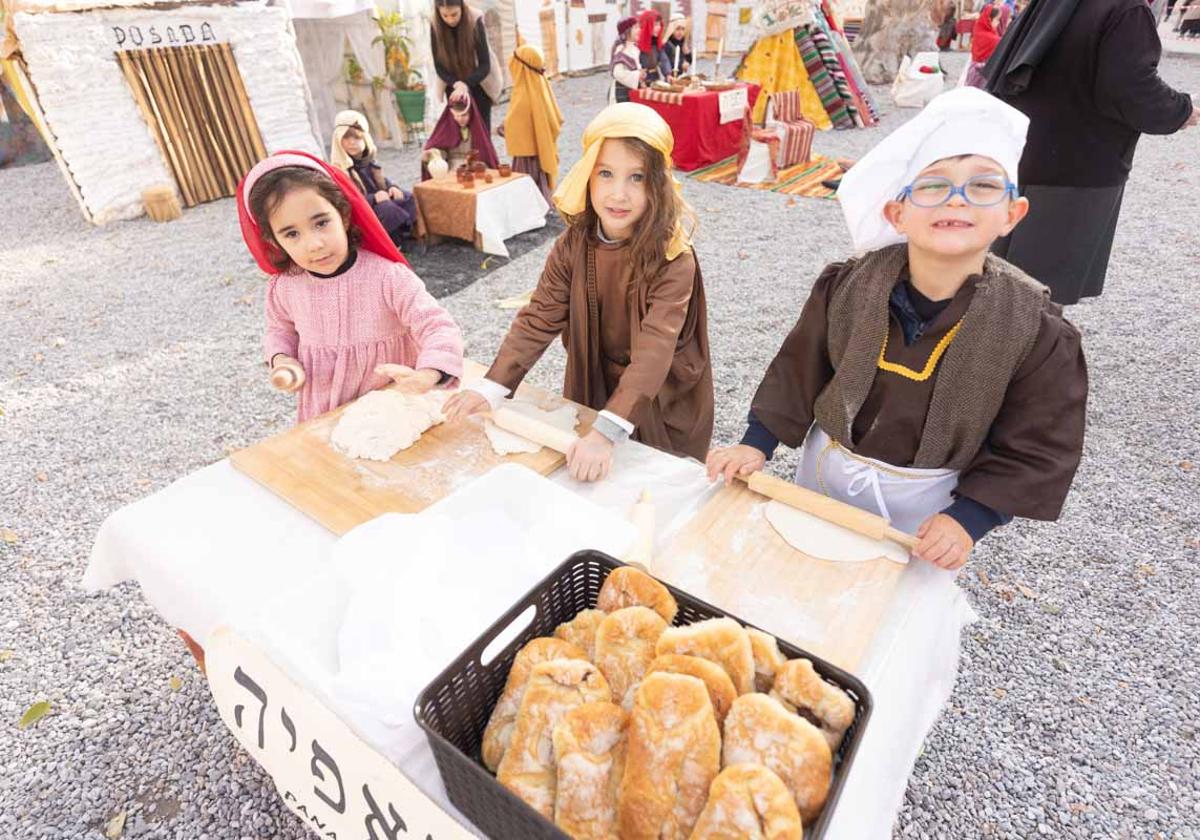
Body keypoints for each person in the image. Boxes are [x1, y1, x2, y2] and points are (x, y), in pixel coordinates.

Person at [706, 88, 1088, 571]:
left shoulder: (1034, 329)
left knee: (883, 608)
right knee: (797, 576)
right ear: (897, 212)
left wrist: (970, 517)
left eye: (984, 186)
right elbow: (799, 366)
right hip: (823, 475)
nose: (957, 199)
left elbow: (1037, 439)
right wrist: (755, 442)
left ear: (1013, 213)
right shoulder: (847, 287)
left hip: (927, 512)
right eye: (932, 185)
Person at [443, 103, 714, 480]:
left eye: (637, 177)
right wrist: (491, 387)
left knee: (651, 480)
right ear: (587, 175)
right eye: (606, 173)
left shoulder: (673, 258)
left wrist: (608, 431)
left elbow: (654, 352)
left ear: (659, 183)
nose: (618, 194)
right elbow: (539, 318)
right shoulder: (574, 245)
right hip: (595, 372)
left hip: (657, 390)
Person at [984, 0, 1196, 304]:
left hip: (1025, 154)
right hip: (1079, 169)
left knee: (1004, 285)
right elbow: (1131, 88)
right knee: (1038, 295)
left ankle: (996, 347)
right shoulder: (1127, 9)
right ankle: (1021, 350)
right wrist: (1181, 110)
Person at [236, 151, 464, 424]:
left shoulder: (388, 277)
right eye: (292, 233)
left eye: (321, 223)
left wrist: (428, 373)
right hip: (325, 407)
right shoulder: (285, 288)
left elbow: (437, 326)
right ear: (274, 241)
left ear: (343, 216)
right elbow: (280, 329)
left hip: (393, 403)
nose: (314, 244)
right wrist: (282, 359)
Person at [329, 111, 418, 245]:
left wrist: (392, 188)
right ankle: (393, 243)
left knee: (408, 197)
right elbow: (345, 200)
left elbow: (381, 181)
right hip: (361, 209)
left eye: (357, 138)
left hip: (379, 199)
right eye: (346, 138)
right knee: (387, 209)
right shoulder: (338, 169)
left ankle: (406, 234)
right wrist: (374, 198)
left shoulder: (367, 160)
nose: (352, 142)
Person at [504, 44, 562, 204]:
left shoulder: (524, 93)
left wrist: (502, 128)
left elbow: (516, 122)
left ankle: (529, 205)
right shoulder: (540, 84)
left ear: (521, 67)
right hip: (540, 148)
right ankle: (542, 201)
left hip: (526, 153)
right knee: (538, 175)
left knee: (528, 178)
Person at [430, 0, 495, 131]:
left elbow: (485, 64)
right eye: (445, 16)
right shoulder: (435, 24)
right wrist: (457, 85)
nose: (450, 20)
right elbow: (439, 66)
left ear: (462, 7)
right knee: (459, 138)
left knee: (482, 135)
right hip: (453, 88)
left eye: (454, 14)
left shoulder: (475, 19)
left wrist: (465, 84)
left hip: (478, 84)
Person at [421, 95, 498, 180]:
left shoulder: (477, 131)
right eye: (456, 116)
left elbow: (486, 154)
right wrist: (433, 155)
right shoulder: (447, 129)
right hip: (453, 171)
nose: (459, 119)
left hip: (474, 171)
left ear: (471, 113)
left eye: (464, 115)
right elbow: (442, 149)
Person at [964, 6, 1002, 88]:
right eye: (997, 20)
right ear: (989, 19)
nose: (998, 23)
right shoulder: (991, 38)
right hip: (982, 73)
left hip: (974, 70)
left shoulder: (979, 29)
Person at [610, 16, 643, 103]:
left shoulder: (635, 48)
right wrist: (637, 75)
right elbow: (618, 73)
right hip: (621, 93)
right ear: (627, 30)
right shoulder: (621, 49)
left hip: (631, 91)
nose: (639, 30)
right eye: (636, 27)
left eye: (639, 27)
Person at [636, 9, 671, 86]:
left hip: (654, 78)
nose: (658, 28)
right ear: (647, 25)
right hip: (640, 81)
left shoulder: (656, 42)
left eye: (659, 24)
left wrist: (668, 74)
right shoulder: (636, 44)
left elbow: (664, 59)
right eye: (655, 25)